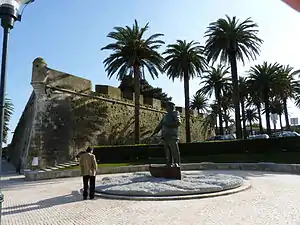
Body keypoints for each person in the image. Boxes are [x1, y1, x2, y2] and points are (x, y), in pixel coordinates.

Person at [151, 102, 181, 167]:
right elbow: (160, 125)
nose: (166, 108)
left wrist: (168, 125)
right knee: (168, 151)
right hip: (165, 136)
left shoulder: (175, 113)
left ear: (171, 107)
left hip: (172, 135)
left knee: (174, 150)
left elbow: (178, 123)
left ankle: (176, 163)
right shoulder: (165, 116)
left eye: (167, 106)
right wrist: (154, 132)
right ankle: (169, 163)